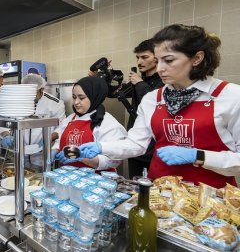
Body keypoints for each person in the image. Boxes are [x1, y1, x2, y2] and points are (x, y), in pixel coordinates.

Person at [79, 24, 240, 189]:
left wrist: (198, 156)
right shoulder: (152, 99)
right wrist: (101, 147)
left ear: (197, 58)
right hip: (160, 192)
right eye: (158, 61)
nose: (160, 68)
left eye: (168, 60)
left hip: (212, 199)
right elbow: (136, 144)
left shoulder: (230, 96)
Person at [51, 76, 127, 170]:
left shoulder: (108, 123)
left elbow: (114, 161)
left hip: (96, 180)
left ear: (94, 96)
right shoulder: (70, 119)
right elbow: (60, 140)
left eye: (81, 98)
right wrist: (55, 150)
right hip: (67, 178)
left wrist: (81, 157)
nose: (76, 102)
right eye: (74, 97)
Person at [0, 74, 66, 165]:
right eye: (26, 91)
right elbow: (6, 120)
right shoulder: (16, 101)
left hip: (42, 154)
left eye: (33, 92)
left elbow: (62, 127)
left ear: (41, 89)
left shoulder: (55, 104)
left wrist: (47, 139)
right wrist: (6, 135)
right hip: (19, 152)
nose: (29, 95)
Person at [125, 39, 163, 178]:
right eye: (137, 58)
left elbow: (155, 103)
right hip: (134, 144)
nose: (139, 62)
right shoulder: (139, 80)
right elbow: (115, 93)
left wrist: (140, 84)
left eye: (144, 57)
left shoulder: (163, 82)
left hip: (153, 148)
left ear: (156, 58)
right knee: (134, 185)